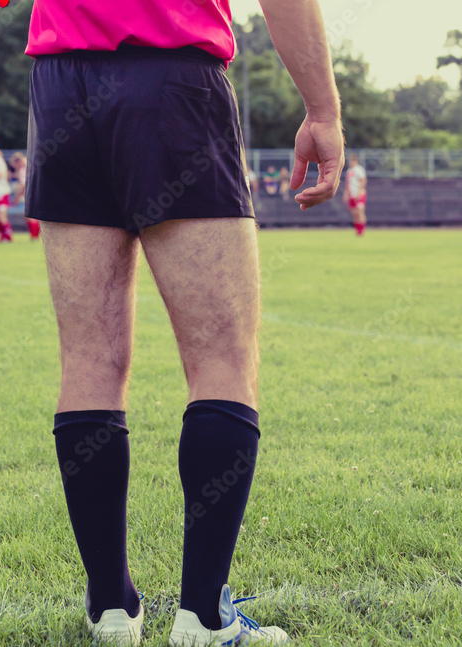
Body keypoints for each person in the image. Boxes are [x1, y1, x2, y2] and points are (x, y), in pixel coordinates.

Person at [23, 0, 343, 644]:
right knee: (223, 358)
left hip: (59, 88)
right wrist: (324, 110)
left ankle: (111, 610)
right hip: (171, 81)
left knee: (89, 360)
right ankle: (202, 618)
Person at [344, 154, 367, 236]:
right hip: (352, 195)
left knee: (360, 212)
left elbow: (362, 181)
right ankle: (357, 230)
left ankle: (361, 230)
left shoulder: (359, 170)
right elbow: (348, 184)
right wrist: (346, 193)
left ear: (355, 161)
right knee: (354, 213)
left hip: (359, 194)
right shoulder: (349, 171)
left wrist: (358, 192)